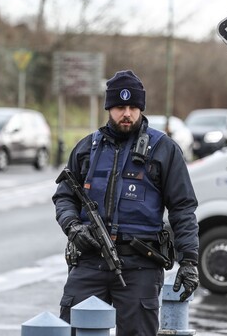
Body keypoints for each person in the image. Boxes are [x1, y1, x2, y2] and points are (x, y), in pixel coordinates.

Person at [52, 70, 199, 335]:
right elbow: (64, 195)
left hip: (140, 267)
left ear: (141, 108)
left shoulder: (164, 149)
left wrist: (189, 261)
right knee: (71, 330)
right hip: (89, 262)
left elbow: (183, 208)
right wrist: (73, 226)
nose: (127, 113)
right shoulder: (88, 148)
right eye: (120, 107)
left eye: (133, 107)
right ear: (109, 108)